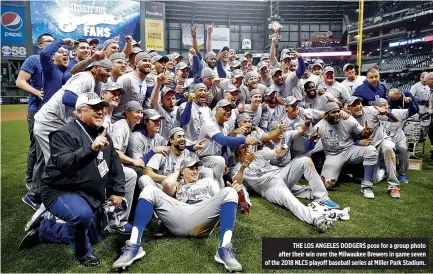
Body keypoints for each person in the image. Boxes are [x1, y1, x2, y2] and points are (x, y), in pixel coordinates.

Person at [19, 92, 126, 267]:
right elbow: (63, 164)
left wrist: (117, 191)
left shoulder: (104, 134)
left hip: (90, 192)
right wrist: (90, 149)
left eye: (102, 108)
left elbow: (115, 164)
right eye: (94, 108)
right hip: (61, 190)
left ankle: (44, 231)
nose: (100, 112)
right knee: (81, 217)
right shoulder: (63, 134)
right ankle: (83, 255)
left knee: (93, 236)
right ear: (79, 112)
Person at [112, 158, 243, 272]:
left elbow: (219, 198)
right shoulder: (176, 185)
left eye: (197, 168)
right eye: (191, 168)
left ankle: (224, 249)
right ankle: (134, 247)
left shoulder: (207, 181)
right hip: (179, 215)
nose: (196, 171)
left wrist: (233, 192)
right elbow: (167, 184)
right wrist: (178, 173)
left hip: (202, 217)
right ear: (182, 170)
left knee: (229, 192)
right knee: (149, 190)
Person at [230, 144, 335, 232]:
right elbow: (237, 181)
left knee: (305, 160)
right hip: (268, 186)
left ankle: (323, 197)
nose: (248, 149)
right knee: (290, 199)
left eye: (247, 147)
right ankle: (315, 219)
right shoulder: (237, 168)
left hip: (281, 174)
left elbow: (276, 152)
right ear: (238, 155)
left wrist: (283, 147)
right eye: (244, 149)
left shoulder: (258, 155)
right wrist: (244, 166)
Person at [34, 59, 113, 164]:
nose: (109, 74)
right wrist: (90, 108)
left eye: (110, 71)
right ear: (96, 67)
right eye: (107, 70)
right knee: (58, 162)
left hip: (58, 121)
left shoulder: (94, 82)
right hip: (50, 122)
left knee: (54, 160)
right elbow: (67, 98)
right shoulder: (86, 77)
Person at [16, 32, 54, 209]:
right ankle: (32, 186)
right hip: (36, 110)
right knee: (37, 149)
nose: (51, 44)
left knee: (38, 148)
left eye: (53, 42)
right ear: (40, 45)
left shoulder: (54, 61)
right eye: (48, 42)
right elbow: (20, 81)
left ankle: (34, 182)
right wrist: (37, 92)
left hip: (50, 112)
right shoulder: (33, 59)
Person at [309, 102, 378, 199]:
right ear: (326, 115)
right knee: (326, 184)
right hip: (333, 155)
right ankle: (339, 174)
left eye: (338, 111)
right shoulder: (319, 127)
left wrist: (366, 132)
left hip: (350, 149)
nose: (337, 114)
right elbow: (308, 147)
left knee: (371, 150)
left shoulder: (348, 120)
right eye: (333, 112)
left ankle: (367, 186)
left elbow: (362, 133)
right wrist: (311, 139)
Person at [114, 52, 152, 120]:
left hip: (133, 122)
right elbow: (112, 99)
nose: (148, 63)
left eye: (149, 61)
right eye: (144, 60)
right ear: (136, 64)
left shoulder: (145, 82)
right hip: (118, 119)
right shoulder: (126, 78)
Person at [39, 38, 73, 105]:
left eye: (67, 52)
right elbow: (44, 54)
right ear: (52, 57)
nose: (65, 54)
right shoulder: (51, 69)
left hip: (63, 112)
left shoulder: (70, 70)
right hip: (49, 112)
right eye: (60, 52)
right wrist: (63, 41)